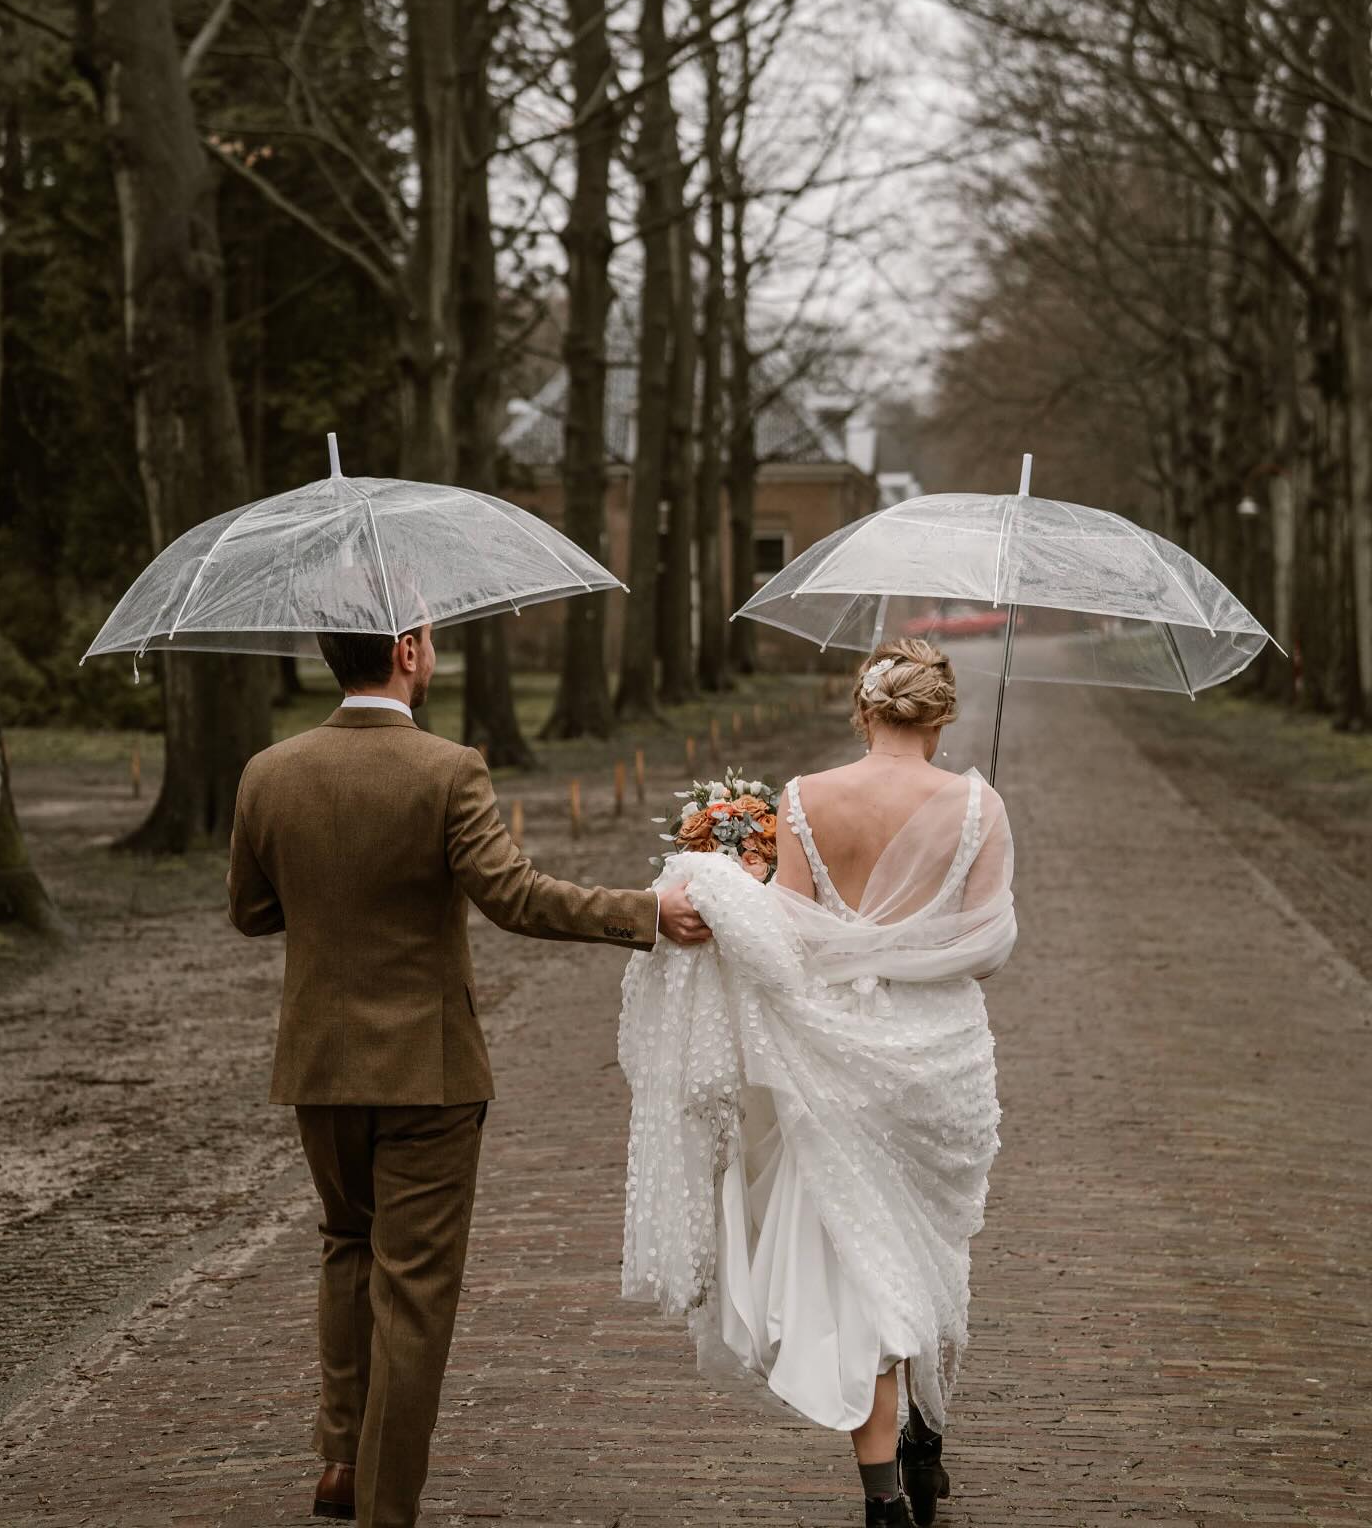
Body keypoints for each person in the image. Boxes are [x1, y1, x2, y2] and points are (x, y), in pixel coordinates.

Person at [226, 623, 708, 1527]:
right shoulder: (449, 769)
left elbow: (252, 912)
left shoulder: (266, 772)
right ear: (407, 651)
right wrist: (646, 911)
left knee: (346, 1245)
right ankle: (385, 1506)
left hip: (318, 1067)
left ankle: (339, 1460)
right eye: (433, 638)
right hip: (429, 1071)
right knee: (413, 1288)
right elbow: (515, 896)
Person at [620, 638, 1017, 1528]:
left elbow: (787, 945)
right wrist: (913, 941)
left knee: (860, 1257)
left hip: (832, 1050)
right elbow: (987, 951)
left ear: (863, 708)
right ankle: (920, 1443)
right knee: (924, 1249)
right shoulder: (979, 806)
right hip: (936, 1056)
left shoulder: (803, 800)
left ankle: (884, 1493)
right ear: (942, 715)